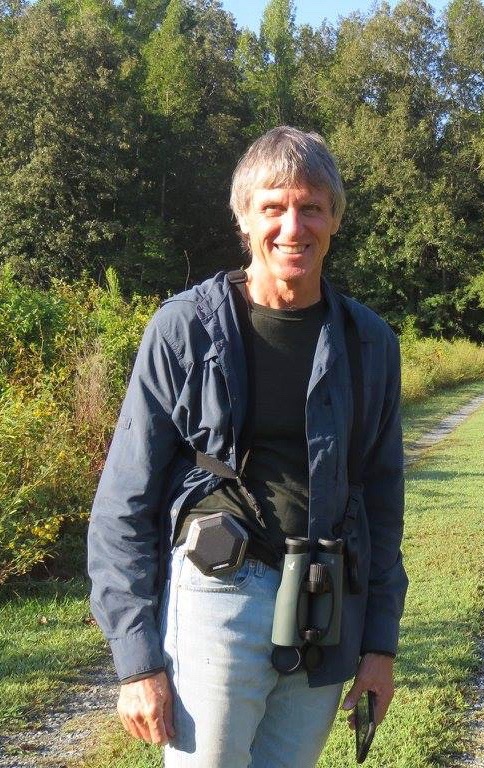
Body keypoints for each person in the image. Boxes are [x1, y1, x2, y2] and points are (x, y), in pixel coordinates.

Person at [87, 126, 407, 767]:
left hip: (322, 602)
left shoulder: (370, 342)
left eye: (311, 207)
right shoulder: (184, 329)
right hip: (216, 594)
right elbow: (125, 497)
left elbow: (381, 498)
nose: (293, 226)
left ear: (334, 219)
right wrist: (138, 661)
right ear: (243, 217)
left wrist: (379, 646)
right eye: (273, 207)